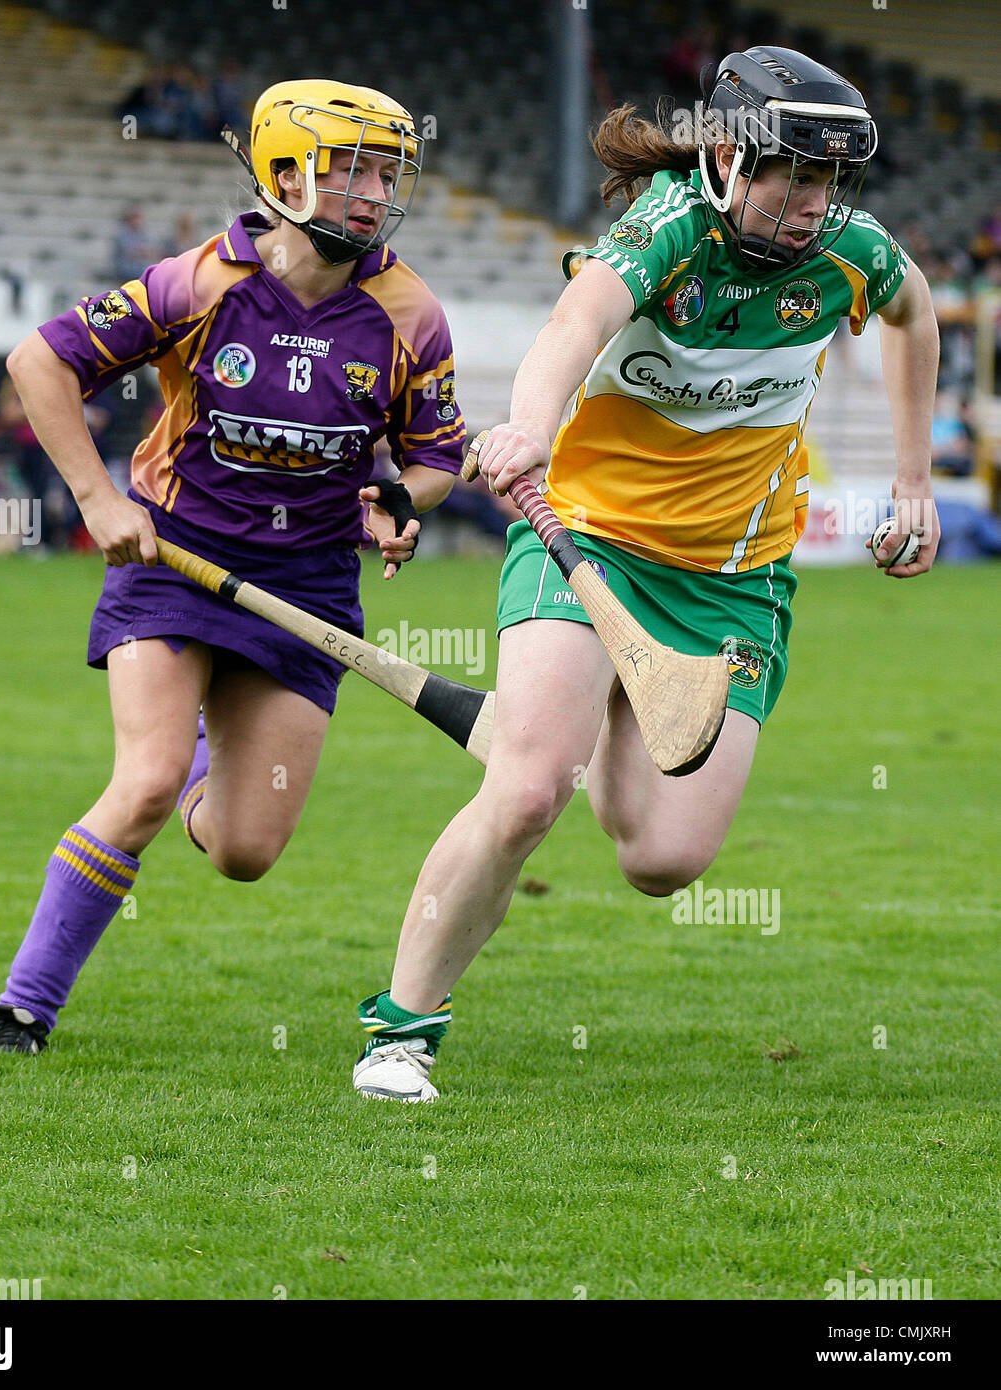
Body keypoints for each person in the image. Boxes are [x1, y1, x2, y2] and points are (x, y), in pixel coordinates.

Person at [351, 46, 941, 1103]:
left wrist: (912, 479)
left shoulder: (850, 252)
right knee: (529, 790)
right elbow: (573, 326)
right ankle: (402, 1028)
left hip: (731, 580)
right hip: (586, 540)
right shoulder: (668, 227)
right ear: (725, 156)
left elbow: (915, 313)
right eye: (788, 177)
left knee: (662, 858)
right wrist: (529, 427)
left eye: (826, 180)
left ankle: (560, 714)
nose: (811, 204)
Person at [0, 79, 464, 1052]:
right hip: (175, 559)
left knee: (245, 851)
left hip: (309, 589)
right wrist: (99, 500)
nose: (372, 192)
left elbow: (437, 456)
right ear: (283, 176)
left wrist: (403, 504)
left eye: (385, 171)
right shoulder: (202, 282)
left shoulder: (410, 313)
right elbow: (41, 362)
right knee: (145, 781)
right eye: (349, 169)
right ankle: (23, 1009)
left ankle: (211, 756)